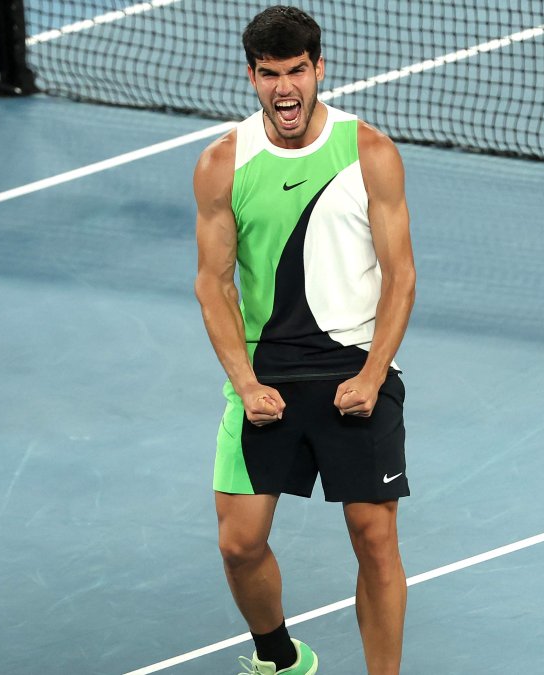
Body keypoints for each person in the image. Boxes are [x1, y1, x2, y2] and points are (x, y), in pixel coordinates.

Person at [192, 6, 416, 674]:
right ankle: (280, 657)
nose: (284, 89)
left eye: (296, 71)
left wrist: (374, 375)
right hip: (267, 372)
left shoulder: (368, 153)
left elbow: (402, 278)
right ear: (251, 76)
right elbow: (213, 284)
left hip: (355, 365)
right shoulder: (222, 163)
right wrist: (245, 382)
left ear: (320, 69)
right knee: (239, 543)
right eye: (269, 74)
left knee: (374, 538)